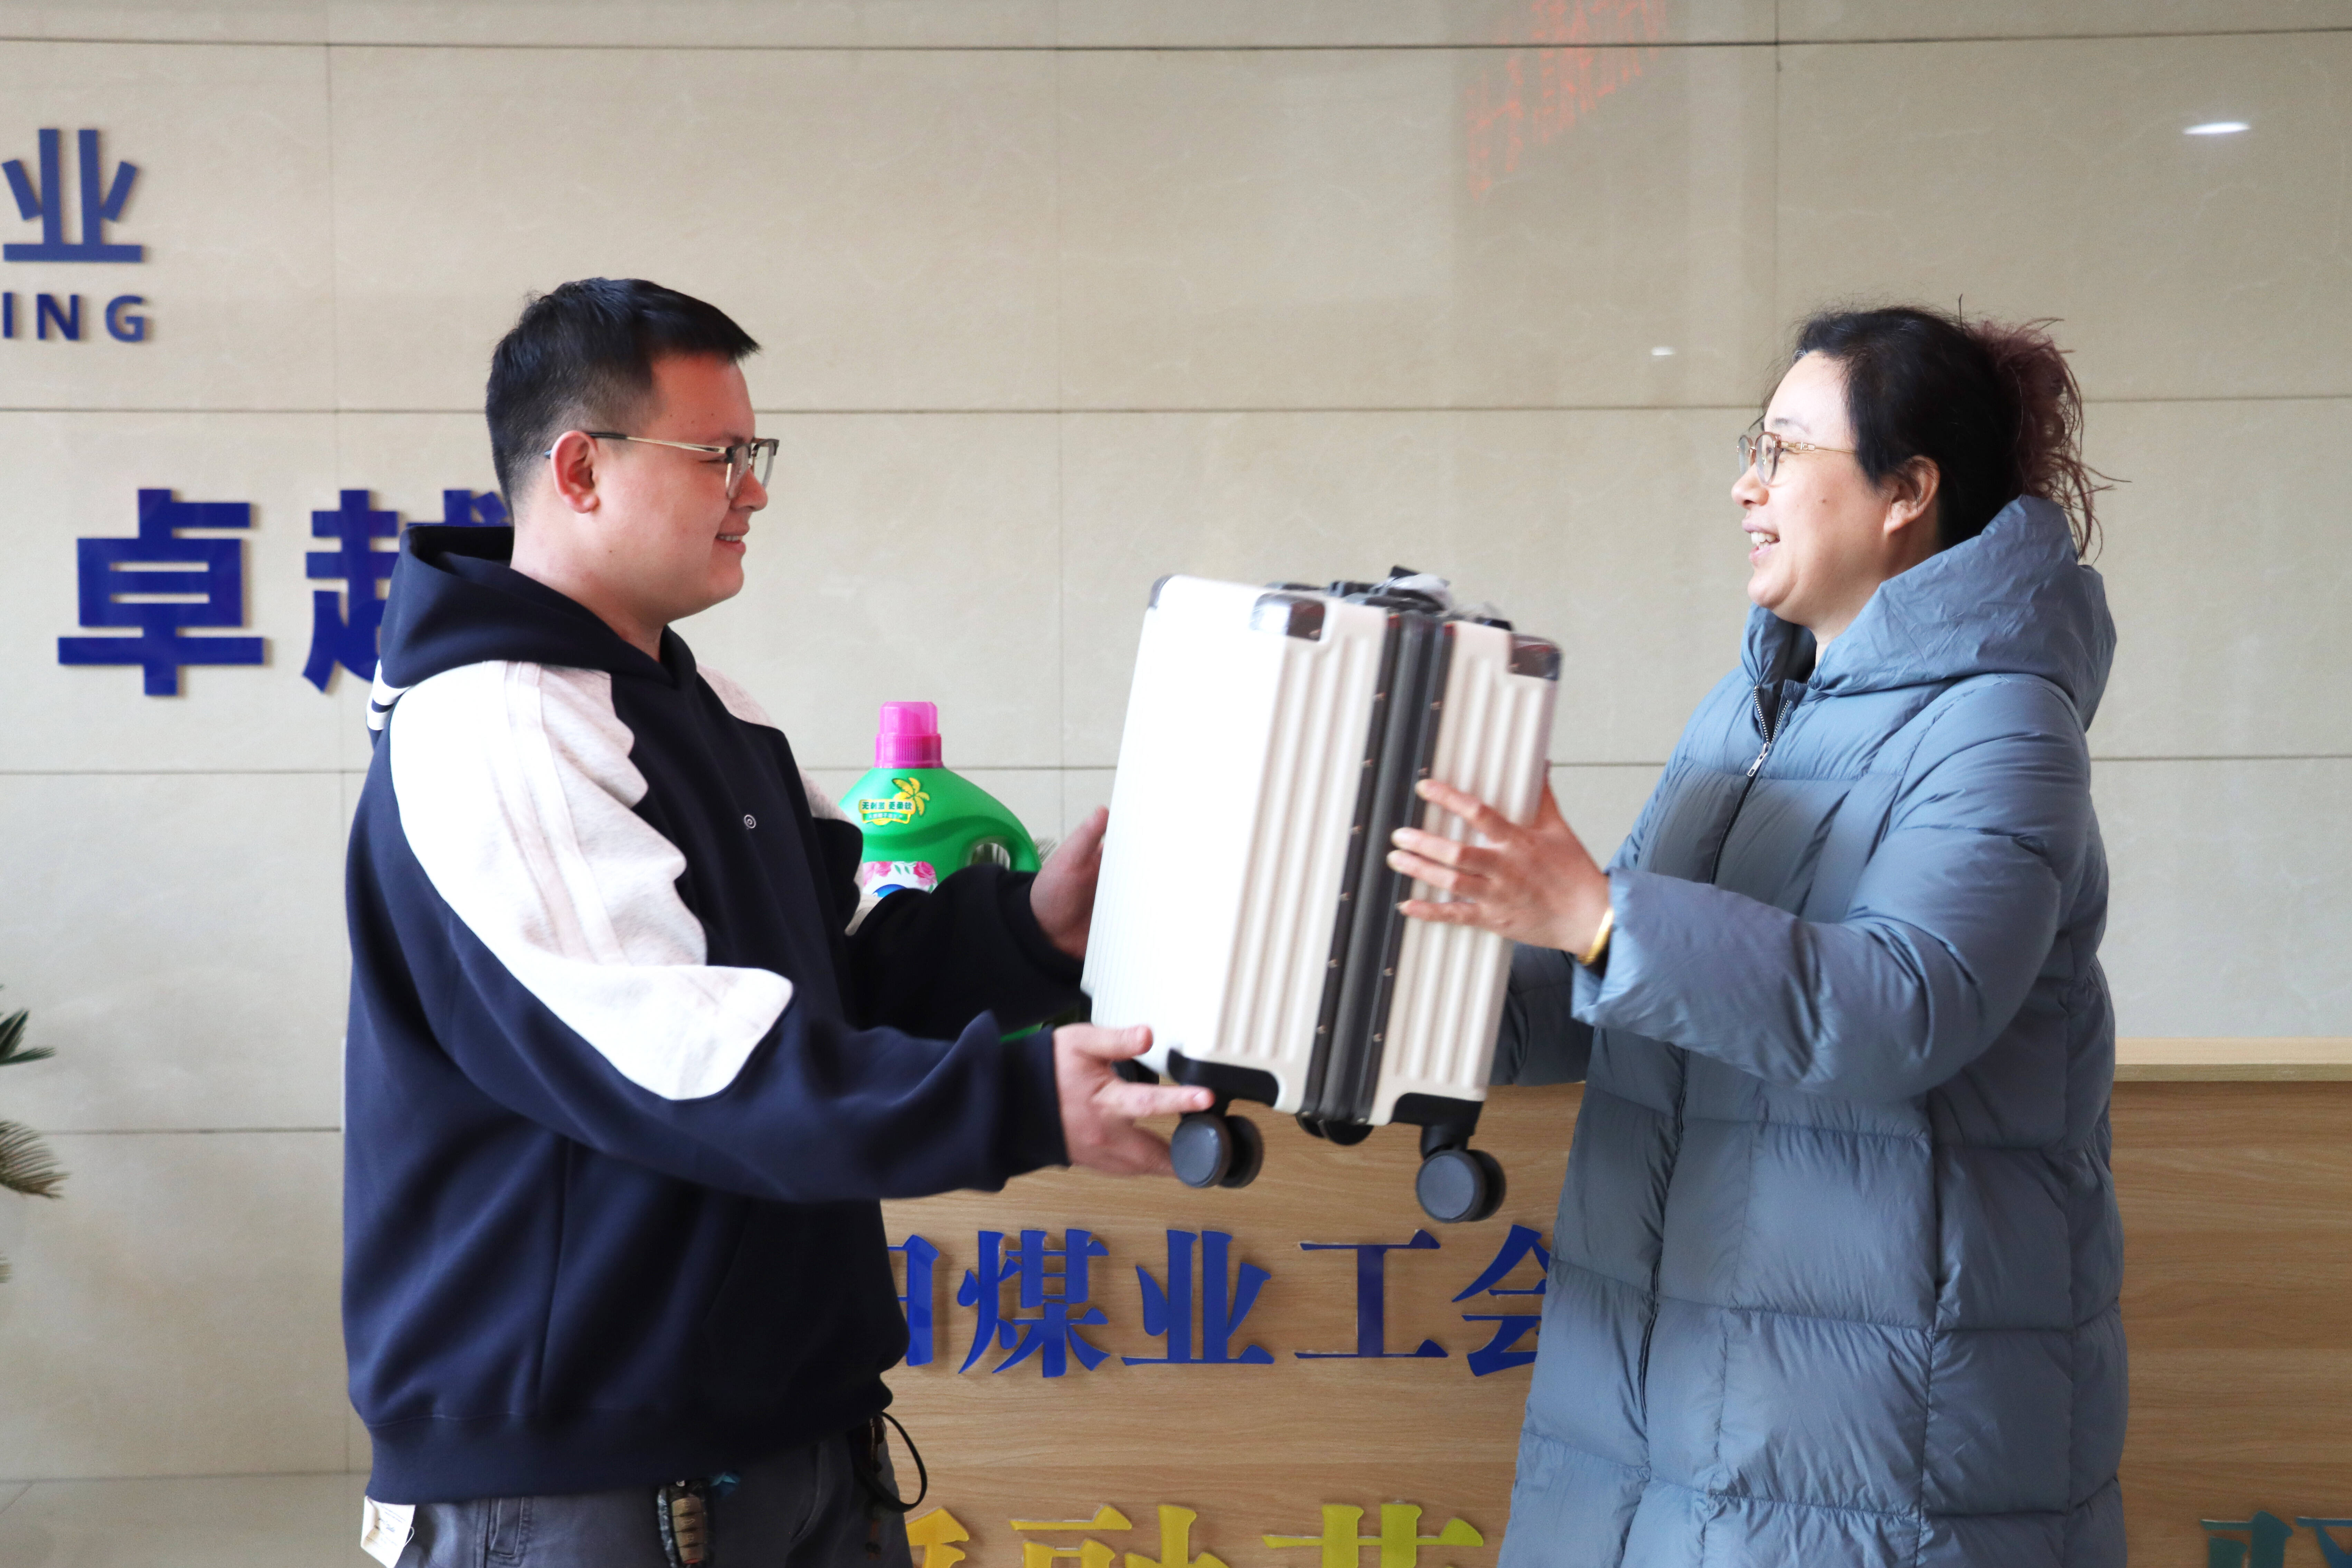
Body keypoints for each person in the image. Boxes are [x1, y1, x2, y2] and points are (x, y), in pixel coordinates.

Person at [341, 277, 1209, 1568]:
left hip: (799, 1434)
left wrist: (1032, 930)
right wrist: (1017, 1100)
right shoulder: (498, 727)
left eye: (758, 453)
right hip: (592, 1485)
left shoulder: (714, 712)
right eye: (719, 456)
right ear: (580, 468)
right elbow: (684, 1055)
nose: (753, 491)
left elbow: (829, 997)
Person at [1388, 306, 2121, 1564]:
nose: (1747, 484)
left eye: (1784, 450)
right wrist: (1412, 979)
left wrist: (1595, 913)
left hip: (1868, 1443)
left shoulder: (2003, 726)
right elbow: (1638, 993)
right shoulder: (1748, 710)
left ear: (1907, 492)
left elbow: (1902, 1007)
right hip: (1663, 1402)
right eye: (1754, 446)